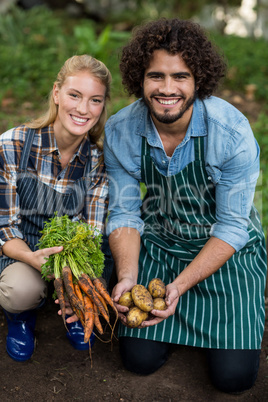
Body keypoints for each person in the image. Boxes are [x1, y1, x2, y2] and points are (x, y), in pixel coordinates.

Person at [103, 18, 267, 394]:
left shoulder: (231, 133)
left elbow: (231, 227)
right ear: (139, 79)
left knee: (234, 379)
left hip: (225, 254)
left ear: (199, 81)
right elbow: (126, 213)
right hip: (161, 243)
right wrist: (127, 276)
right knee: (137, 361)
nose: (166, 88)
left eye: (180, 76)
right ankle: (178, 327)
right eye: (155, 76)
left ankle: (202, 318)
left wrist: (176, 288)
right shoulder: (121, 130)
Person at [0, 54, 112, 362]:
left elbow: (92, 229)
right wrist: (35, 260)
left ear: (102, 106)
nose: (83, 109)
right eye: (74, 95)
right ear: (56, 93)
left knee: (95, 281)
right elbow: (5, 228)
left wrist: (75, 274)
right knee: (22, 290)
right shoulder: (14, 145)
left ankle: (75, 309)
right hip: (21, 252)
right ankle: (21, 315)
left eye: (95, 100)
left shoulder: (99, 161)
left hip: (68, 252)